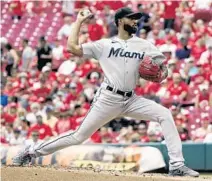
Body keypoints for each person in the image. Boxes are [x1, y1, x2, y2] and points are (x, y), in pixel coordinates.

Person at [13, 7, 199, 177]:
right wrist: (79, 22)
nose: (135, 22)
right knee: (78, 136)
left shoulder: (144, 45)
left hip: (131, 99)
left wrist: (162, 73)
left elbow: (162, 67)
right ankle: (31, 151)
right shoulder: (104, 45)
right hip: (108, 99)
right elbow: (72, 48)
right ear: (119, 22)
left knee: (165, 114)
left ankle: (176, 165)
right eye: (131, 18)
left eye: (136, 19)